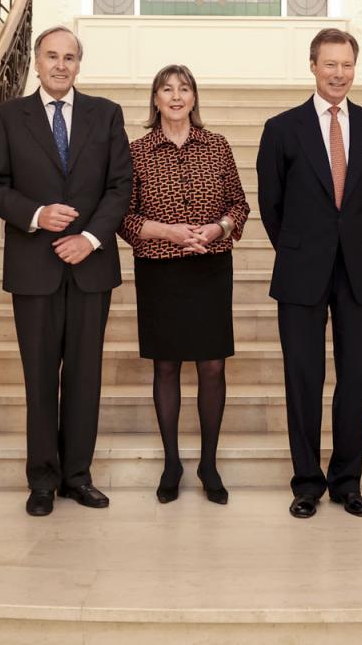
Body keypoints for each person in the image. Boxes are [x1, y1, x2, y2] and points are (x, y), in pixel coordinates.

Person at [0, 26, 133, 517]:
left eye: (70, 57)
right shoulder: (7, 117)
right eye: (51, 56)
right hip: (34, 266)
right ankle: (42, 478)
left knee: (85, 377)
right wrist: (36, 215)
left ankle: (77, 477)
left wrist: (89, 239)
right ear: (38, 64)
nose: (60, 65)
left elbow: (120, 186)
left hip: (91, 266)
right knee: (40, 376)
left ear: (78, 64)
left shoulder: (105, 115)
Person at [257, 28, 362, 519]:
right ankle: (307, 483)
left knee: (355, 378)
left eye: (347, 65)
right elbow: (271, 204)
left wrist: (343, 240)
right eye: (330, 64)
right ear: (312, 65)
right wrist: (300, 248)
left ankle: (348, 482)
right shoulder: (282, 128)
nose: (339, 74)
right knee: (303, 378)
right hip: (300, 269)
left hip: (357, 270)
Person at [119, 65, 250, 505]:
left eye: (184, 88)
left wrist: (219, 228)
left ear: (194, 98)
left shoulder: (217, 146)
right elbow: (124, 217)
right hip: (160, 270)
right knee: (167, 365)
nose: (176, 96)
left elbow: (240, 205)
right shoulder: (136, 151)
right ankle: (172, 462)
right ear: (155, 99)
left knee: (212, 366)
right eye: (166, 89)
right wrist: (168, 231)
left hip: (211, 266)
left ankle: (209, 463)